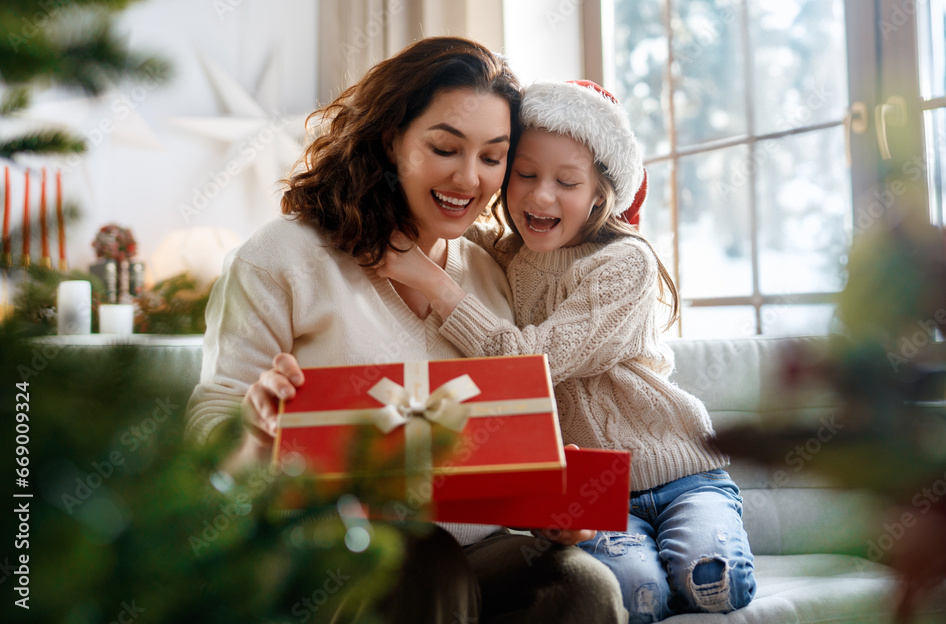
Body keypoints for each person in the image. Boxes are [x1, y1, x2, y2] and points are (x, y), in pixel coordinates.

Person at [185, 38, 628, 624]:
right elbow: (209, 436)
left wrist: (551, 503)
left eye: (493, 157)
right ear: (392, 139)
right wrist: (257, 431)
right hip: (332, 555)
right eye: (445, 147)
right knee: (426, 559)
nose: (469, 178)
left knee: (580, 584)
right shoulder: (283, 258)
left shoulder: (491, 273)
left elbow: (505, 441)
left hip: (476, 551)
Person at [374, 80, 757, 622]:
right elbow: (439, 223)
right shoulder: (503, 255)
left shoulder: (624, 264)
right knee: (634, 596)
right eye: (524, 174)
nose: (540, 195)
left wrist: (437, 289)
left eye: (566, 181)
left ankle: (705, 547)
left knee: (713, 583)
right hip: (596, 496)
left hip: (682, 476)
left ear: (600, 195)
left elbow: (533, 365)